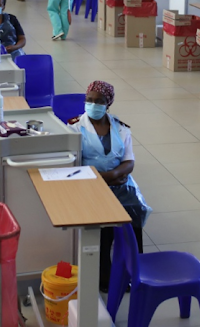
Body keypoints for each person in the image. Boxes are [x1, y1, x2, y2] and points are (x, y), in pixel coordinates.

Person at [67, 81, 150, 293]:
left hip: (118, 182)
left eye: (99, 101)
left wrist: (113, 175)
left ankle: (134, 270)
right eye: (89, 100)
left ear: (108, 103)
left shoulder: (120, 128)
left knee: (134, 214)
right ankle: (104, 276)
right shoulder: (75, 127)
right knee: (103, 226)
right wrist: (108, 177)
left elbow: (129, 162)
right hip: (87, 183)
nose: (93, 105)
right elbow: (72, 164)